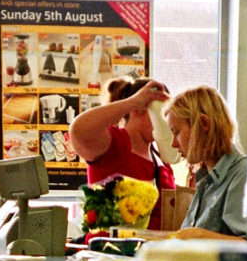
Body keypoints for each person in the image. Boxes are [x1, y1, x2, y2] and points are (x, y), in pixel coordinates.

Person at [68, 76, 175, 230]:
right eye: (160, 112)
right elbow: (78, 130)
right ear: (138, 109)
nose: (165, 121)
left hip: (149, 251)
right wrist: (133, 102)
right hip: (110, 251)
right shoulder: (114, 143)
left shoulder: (160, 157)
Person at [163, 85, 247, 241]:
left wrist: (199, 235)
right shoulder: (206, 179)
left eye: (176, 132)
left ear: (203, 124)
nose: (173, 144)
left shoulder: (242, 175)